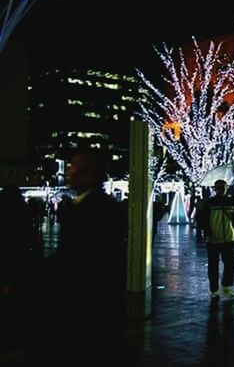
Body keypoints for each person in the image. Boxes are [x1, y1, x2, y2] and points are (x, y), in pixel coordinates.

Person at [48, 152, 126, 362]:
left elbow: (77, 259)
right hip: (95, 303)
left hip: (86, 303)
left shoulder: (92, 208)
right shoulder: (94, 205)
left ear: (89, 174)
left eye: (74, 167)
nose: (69, 172)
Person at [197, 179, 234, 299]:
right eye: (218, 188)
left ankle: (227, 286)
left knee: (230, 264)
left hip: (228, 238)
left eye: (223, 187)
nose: (220, 190)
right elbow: (202, 219)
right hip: (213, 238)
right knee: (213, 265)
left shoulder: (231, 201)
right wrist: (208, 232)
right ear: (215, 189)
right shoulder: (209, 203)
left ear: (226, 188)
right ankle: (214, 289)